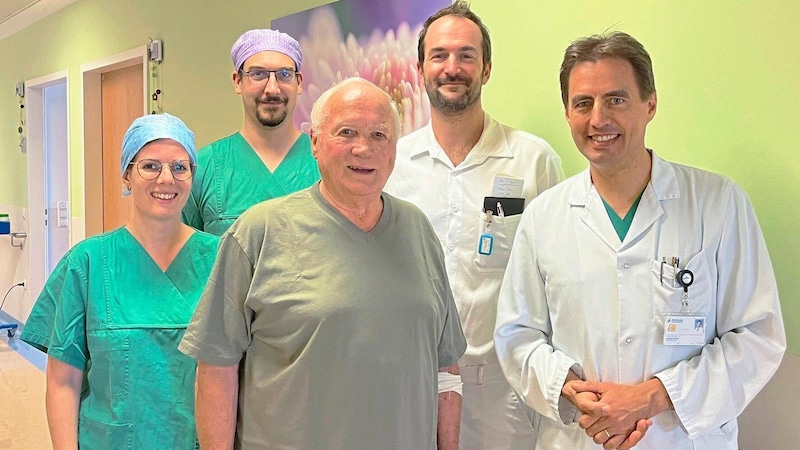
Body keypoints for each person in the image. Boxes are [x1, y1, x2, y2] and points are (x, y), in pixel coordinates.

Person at [494, 31, 786, 449]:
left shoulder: (718, 203)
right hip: (581, 435)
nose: (599, 119)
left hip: (679, 439)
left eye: (616, 99)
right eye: (583, 103)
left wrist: (650, 397)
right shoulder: (544, 216)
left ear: (650, 104)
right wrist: (569, 388)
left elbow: (757, 335)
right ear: (568, 113)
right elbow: (516, 333)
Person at [179, 77, 468, 449]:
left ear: (395, 148)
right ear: (314, 142)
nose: (363, 149)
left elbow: (446, 369)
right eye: (346, 132)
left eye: (379, 135)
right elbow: (216, 366)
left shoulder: (418, 231)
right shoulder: (258, 232)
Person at [383, 2, 563, 448]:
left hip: (502, 390)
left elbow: (557, 277)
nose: (452, 67)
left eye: (466, 55)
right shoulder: (393, 164)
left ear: (486, 68)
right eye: (439, 55)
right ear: (421, 68)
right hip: (409, 383)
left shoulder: (532, 159)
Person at [20, 113, 220, 449]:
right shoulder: (87, 263)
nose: (166, 179)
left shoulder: (222, 259)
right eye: (150, 166)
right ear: (127, 175)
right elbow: (62, 381)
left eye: (180, 167)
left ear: (192, 175)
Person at [182, 28, 320, 235]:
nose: (272, 89)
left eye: (284, 74)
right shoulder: (204, 169)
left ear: (298, 82)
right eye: (258, 74)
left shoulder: (326, 161)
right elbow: (184, 256)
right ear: (238, 81)